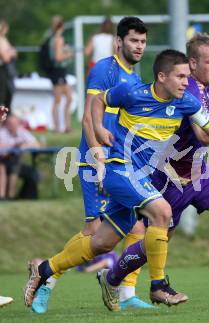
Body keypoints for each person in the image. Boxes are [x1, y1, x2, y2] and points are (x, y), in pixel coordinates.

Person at [24, 49, 209, 311]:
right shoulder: (133, 93)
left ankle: (45, 269)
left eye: (186, 77)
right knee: (162, 211)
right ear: (161, 76)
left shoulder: (187, 103)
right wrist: (100, 128)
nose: (185, 81)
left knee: (102, 243)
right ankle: (158, 286)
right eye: (180, 76)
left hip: (142, 176)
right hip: (120, 170)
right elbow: (97, 101)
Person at [96, 33, 209, 312]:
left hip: (200, 174)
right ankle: (111, 276)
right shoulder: (187, 89)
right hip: (173, 180)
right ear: (192, 63)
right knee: (156, 242)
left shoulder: (200, 89)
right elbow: (204, 136)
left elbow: (207, 129)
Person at [29, 17, 152, 314]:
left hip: (120, 162)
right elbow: (88, 118)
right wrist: (96, 157)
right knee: (94, 232)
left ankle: (126, 292)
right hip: (95, 159)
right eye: (134, 40)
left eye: (143, 42)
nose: (139, 47)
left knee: (139, 221)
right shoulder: (104, 69)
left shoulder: (135, 79)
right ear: (119, 41)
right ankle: (46, 276)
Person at [0, 115, 40, 199]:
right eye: (10, 124)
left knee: (31, 171)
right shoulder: (2, 133)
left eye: (15, 124)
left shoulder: (22, 132)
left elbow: (36, 144)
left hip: (14, 162)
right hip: (3, 161)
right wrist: (13, 145)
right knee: (9, 166)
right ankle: (6, 196)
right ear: (6, 124)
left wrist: (23, 145)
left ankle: (15, 196)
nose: (13, 126)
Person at [47, 16, 73, 133]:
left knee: (68, 98)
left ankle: (67, 126)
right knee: (58, 100)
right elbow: (58, 57)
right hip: (58, 72)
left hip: (58, 72)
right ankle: (57, 127)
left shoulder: (53, 38)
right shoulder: (59, 39)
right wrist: (68, 54)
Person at [0, 19, 17, 112]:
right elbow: (6, 57)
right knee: (3, 97)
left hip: (6, 71)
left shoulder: (4, 40)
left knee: (7, 96)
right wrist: (11, 52)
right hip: (2, 70)